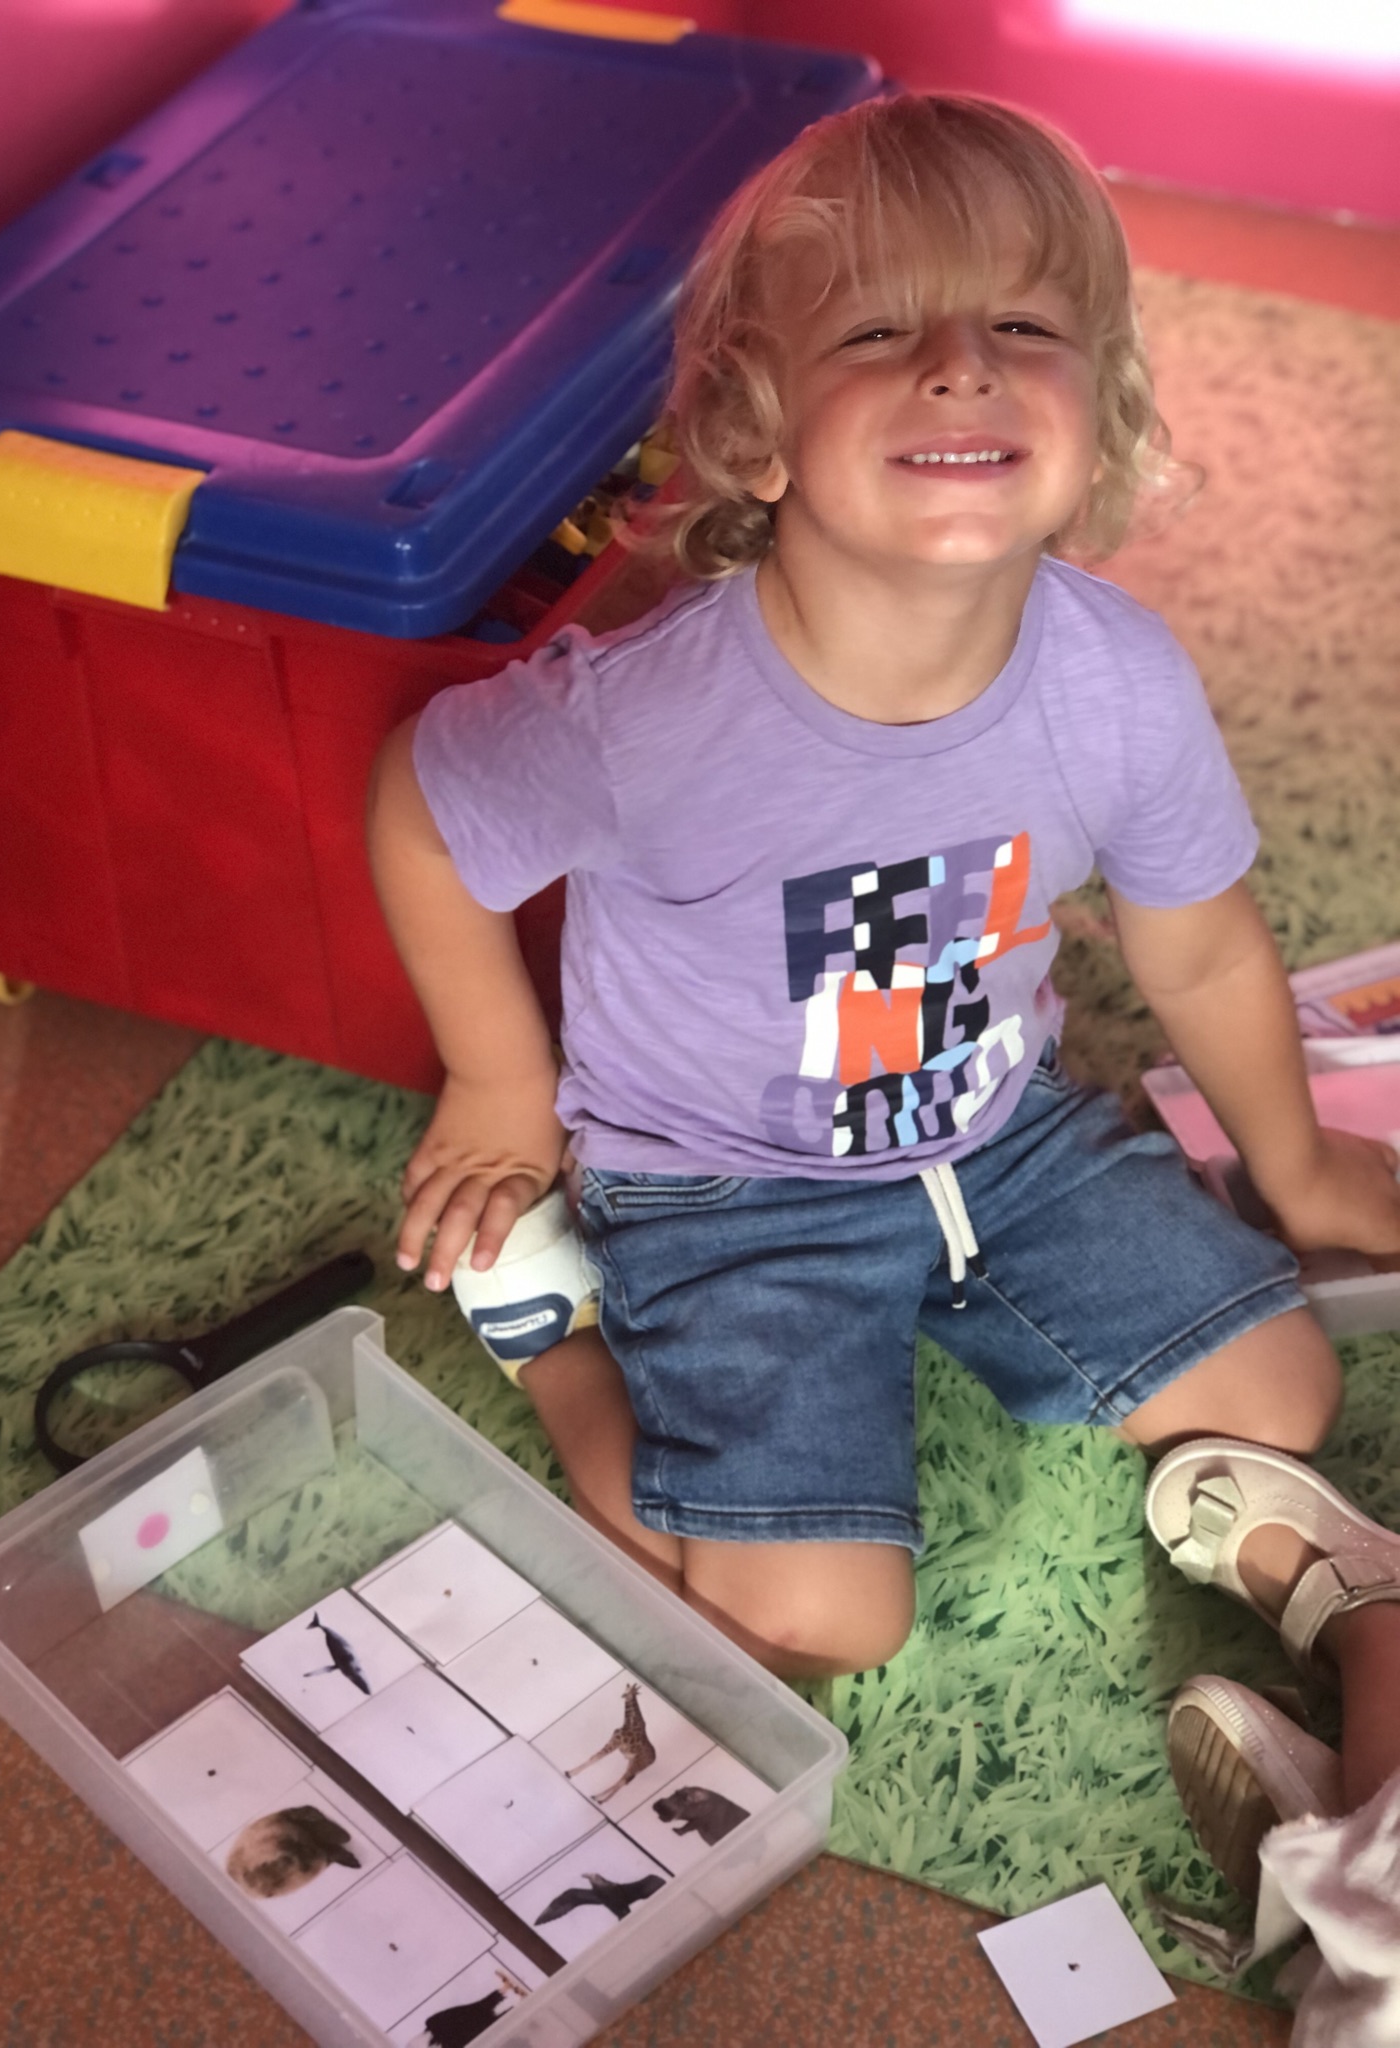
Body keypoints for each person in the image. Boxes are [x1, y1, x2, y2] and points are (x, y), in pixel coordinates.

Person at [367, 96, 1400, 1750]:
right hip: (724, 1189)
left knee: (1283, 1392)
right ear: (759, 430)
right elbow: (423, 805)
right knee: (810, 1622)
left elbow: (1197, 940)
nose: (961, 367)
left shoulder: (1120, 682)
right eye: (876, 331)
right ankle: (555, 1330)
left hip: (1003, 1137)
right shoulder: (645, 720)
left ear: (1101, 405)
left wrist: (1294, 1165)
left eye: (1022, 326)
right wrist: (500, 1081)